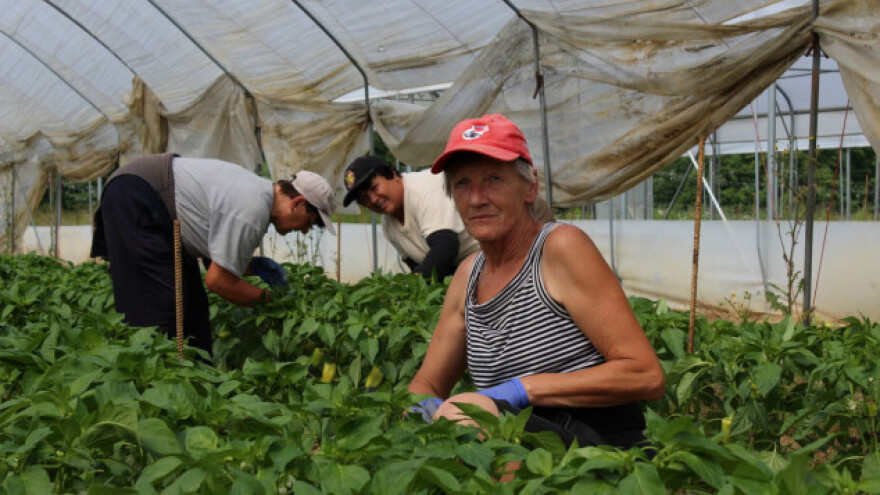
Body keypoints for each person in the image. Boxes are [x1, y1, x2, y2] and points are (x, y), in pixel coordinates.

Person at [408, 114, 665, 450]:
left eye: (494, 179)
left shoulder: (559, 248)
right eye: (462, 184)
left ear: (530, 187)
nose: (476, 198)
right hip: (519, 443)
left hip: (597, 450)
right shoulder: (468, 276)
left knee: (466, 414)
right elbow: (427, 382)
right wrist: (418, 409)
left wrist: (522, 389)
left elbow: (645, 374)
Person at [90, 153, 336, 355]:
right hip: (139, 195)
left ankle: (197, 385)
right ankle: (151, 387)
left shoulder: (256, 196)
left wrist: (252, 267)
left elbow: (214, 261)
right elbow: (218, 282)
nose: (305, 230)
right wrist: (273, 301)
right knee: (159, 312)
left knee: (193, 312)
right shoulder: (252, 209)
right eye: (310, 222)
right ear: (297, 203)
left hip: (150, 199)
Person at [341, 155, 554, 280]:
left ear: (393, 175)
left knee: (546, 277)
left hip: (521, 228)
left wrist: (411, 288)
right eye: (363, 199)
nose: (373, 199)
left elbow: (445, 248)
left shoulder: (422, 189)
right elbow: (417, 263)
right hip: (486, 256)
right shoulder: (389, 225)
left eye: (374, 188)